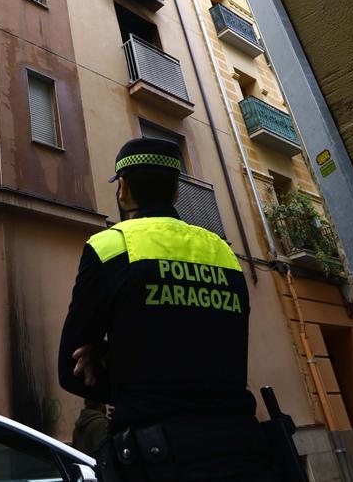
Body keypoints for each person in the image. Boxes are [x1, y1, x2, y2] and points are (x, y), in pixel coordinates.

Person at [58, 137, 278, 481]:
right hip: (244, 449)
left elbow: (68, 369)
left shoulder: (109, 246)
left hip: (157, 457)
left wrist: (111, 359)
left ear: (123, 188)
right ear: (176, 192)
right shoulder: (222, 251)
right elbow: (218, 342)